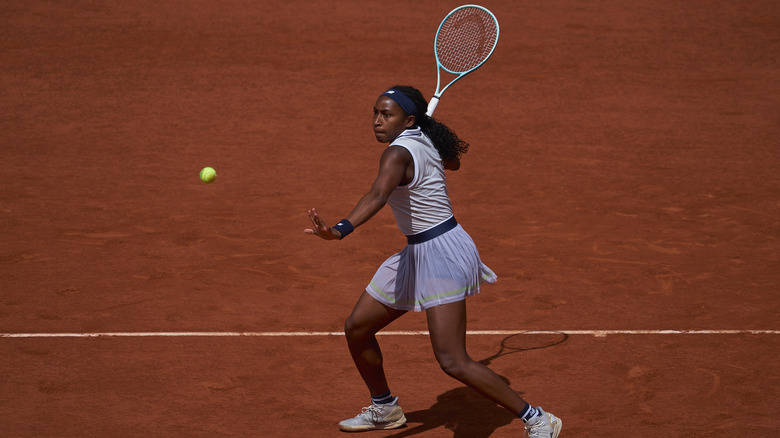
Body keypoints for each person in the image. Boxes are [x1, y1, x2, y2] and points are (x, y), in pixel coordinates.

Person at [304, 85, 562, 438]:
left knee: (453, 360)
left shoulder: (397, 153)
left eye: (387, 114)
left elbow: (378, 194)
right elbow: (453, 161)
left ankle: (537, 417)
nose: (377, 122)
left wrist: (339, 230)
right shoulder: (422, 138)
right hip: (418, 251)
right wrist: (425, 130)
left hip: (441, 253)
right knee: (358, 327)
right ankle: (384, 407)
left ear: (407, 119)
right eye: (375, 113)